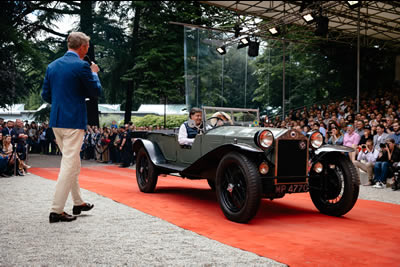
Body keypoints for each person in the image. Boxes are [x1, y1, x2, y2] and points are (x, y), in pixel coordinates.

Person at [41, 32, 101, 223]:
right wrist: (94, 74)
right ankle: (56, 210)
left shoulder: (52, 66)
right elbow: (95, 91)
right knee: (68, 164)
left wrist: (62, 102)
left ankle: (78, 202)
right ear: (82, 47)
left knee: (72, 162)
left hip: (57, 121)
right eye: (87, 46)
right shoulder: (83, 66)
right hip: (73, 121)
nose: (88, 49)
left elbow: (45, 95)